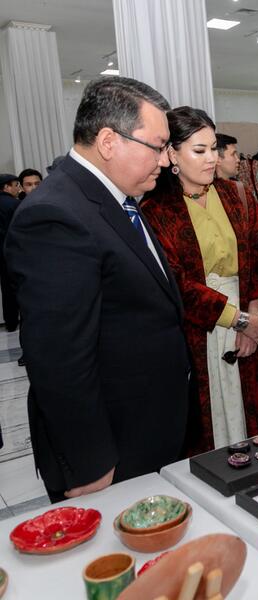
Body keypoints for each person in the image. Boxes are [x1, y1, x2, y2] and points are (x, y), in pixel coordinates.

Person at [4, 76, 190, 501]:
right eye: (158, 146)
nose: (166, 161)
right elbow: (59, 357)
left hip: (145, 425)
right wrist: (90, 463)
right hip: (110, 451)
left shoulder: (115, 200)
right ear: (109, 141)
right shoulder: (56, 215)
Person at [142, 106, 258, 455]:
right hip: (198, 331)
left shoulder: (237, 194)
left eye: (214, 148)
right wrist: (239, 321)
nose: (212, 158)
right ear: (172, 154)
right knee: (206, 426)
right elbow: (176, 284)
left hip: (247, 321)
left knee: (253, 419)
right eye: (199, 150)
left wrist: (253, 315)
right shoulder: (156, 211)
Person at [0, 174, 21, 332]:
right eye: (15, 185)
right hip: (14, 251)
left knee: (6, 288)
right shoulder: (14, 204)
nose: (18, 188)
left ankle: (10, 322)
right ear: (6, 187)